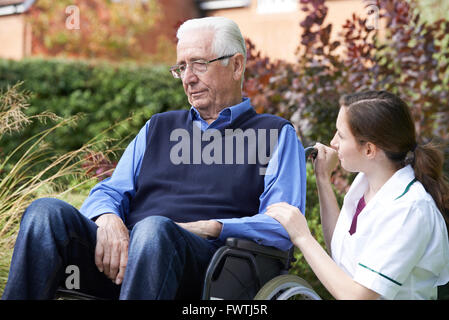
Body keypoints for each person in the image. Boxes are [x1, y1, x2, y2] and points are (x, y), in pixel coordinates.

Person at [2, 17, 306, 300]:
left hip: (210, 270)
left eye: (199, 64)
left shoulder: (275, 134)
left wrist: (213, 226)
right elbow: (110, 191)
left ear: (236, 65)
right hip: (124, 260)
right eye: (181, 67)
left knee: (153, 229)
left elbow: (283, 226)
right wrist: (108, 220)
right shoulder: (158, 127)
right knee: (44, 213)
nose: (188, 78)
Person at [266, 91, 449, 300]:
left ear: (369, 150)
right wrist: (323, 178)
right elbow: (340, 251)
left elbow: (357, 297)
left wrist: (302, 237)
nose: (333, 142)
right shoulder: (366, 182)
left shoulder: (409, 211)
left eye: (341, 136)